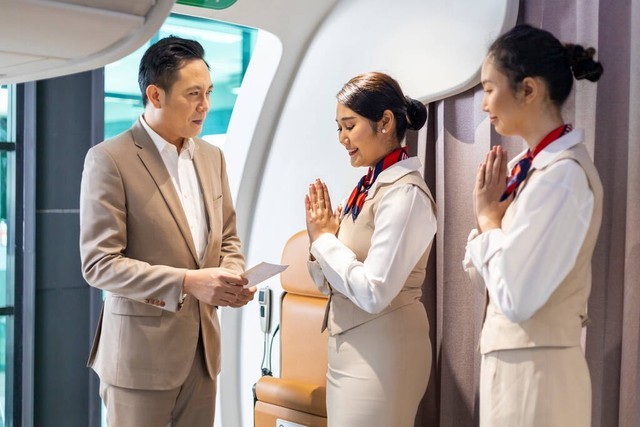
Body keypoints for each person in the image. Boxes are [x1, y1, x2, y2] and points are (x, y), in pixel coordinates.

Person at [79, 36, 255, 426]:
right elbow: (99, 264)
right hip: (139, 360)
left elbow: (227, 236)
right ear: (155, 95)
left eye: (208, 92)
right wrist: (189, 282)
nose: (205, 105)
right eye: (193, 94)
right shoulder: (110, 159)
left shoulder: (212, 156)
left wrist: (231, 277)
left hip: (203, 356)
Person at [463, 24, 604, 426]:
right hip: (517, 368)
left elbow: (516, 299)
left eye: (489, 89)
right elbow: (481, 275)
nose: (484, 104)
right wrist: (490, 225)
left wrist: (488, 219)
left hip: (538, 376)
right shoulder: (525, 170)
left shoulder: (562, 176)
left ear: (528, 90)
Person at [305, 72, 436, 426]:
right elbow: (330, 285)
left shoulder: (405, 193)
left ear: (386, 122)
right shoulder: (367, 188)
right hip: (351, 349)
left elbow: (374, 292)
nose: (342, 138)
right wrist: (320, 242)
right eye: (339, 128)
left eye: (350, 126)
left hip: (384, 352)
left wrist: (325, 240)